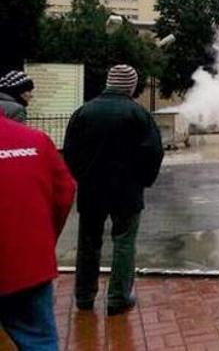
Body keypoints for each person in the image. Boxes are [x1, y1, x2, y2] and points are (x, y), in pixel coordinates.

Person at [63, 64, 164, 316]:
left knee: (87, 243)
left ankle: (84, 296)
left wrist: (82, 177)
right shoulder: (138, 113)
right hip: (126, 192)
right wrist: (142, 180)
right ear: (130, 86)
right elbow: (153, 152)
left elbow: (70, 152)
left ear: (108, 83)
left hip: (91, 190)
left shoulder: (84, 112)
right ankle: (118, 297)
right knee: (124, 242)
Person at [0, 109, 76, 350]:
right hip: (30, 265)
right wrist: (42, 239)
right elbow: (64, 193)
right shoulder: (35, 140)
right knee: (39, 340)